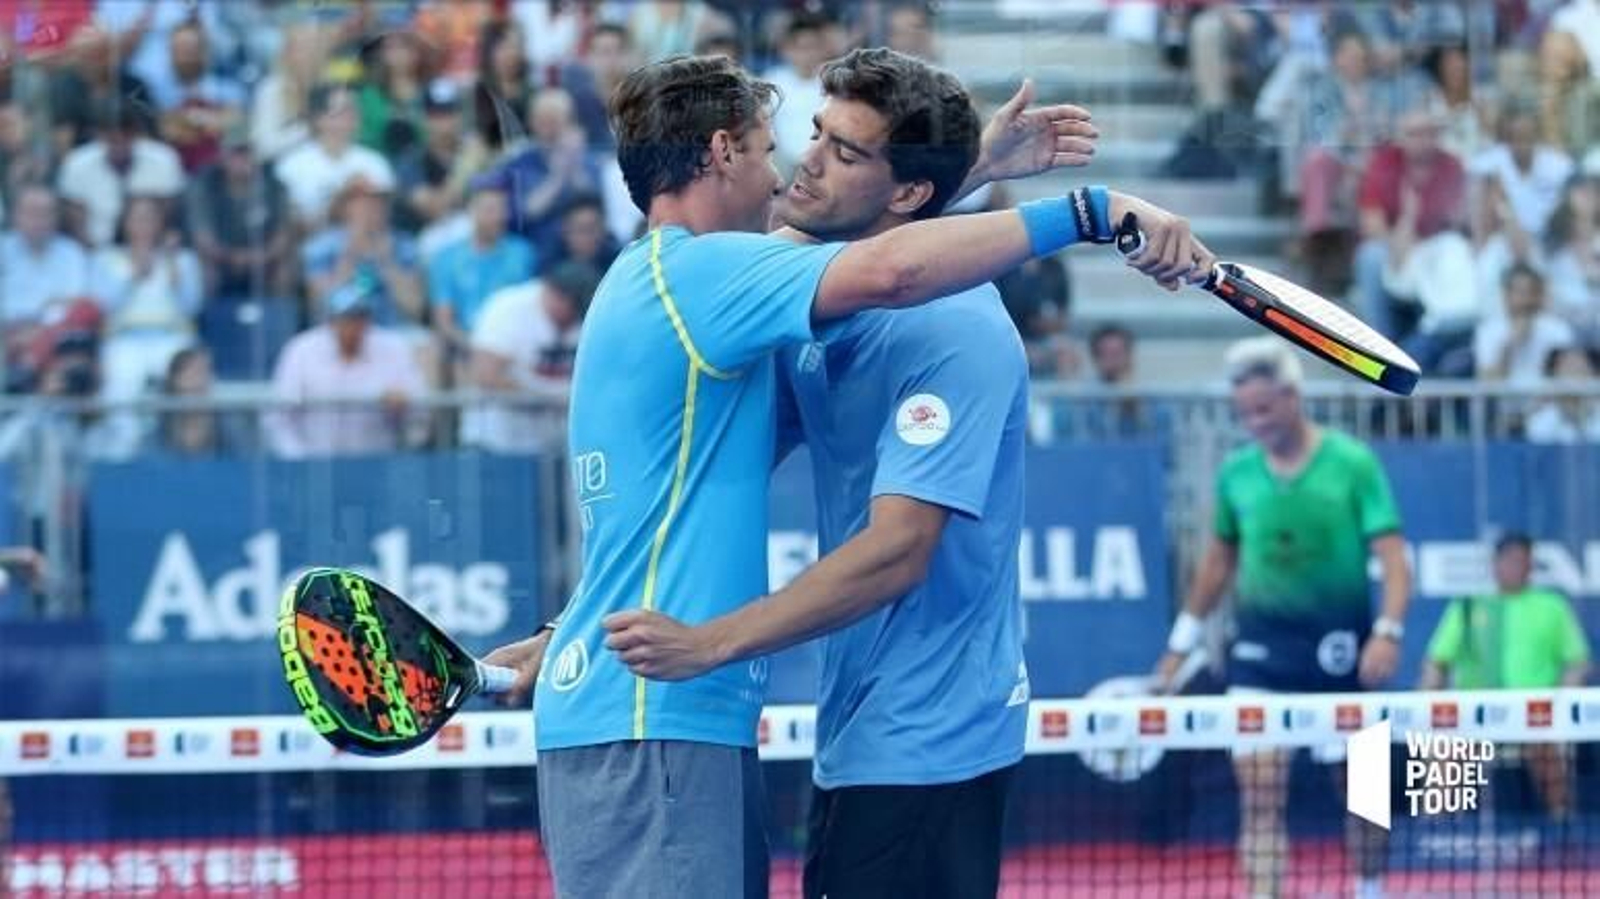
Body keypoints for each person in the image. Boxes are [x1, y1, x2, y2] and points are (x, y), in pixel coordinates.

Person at [485, 53, 1209, 897]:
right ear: (722, 152)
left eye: (837, 147)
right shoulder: (713, 278)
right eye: (783, 143)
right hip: (664, 721)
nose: (795, 167)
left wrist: (965, 167)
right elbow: (886, 256)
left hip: (906, 742)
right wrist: (1094, 210)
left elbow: (874, 240)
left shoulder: (724, 289)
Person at [596, 47, 1041, 898]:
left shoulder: (953, 330)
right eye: (815, 135)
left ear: (907, 194)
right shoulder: (824, 313)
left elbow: (898, 552)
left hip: (934, 741)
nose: (804, 165)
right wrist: (573, 630)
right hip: (861, 728)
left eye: (844, 153)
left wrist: (711, 643)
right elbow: (696, 481)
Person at [1152, 337, 1412, 899]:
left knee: (1367, 801)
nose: (1255, 422)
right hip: (1260, 665)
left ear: (1293, 398)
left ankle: (1370, 890)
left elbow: (1394, 558)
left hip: (1347, 665)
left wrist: (1388, 632)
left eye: (1264, 409)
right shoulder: (1236, 474)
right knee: (1260, 799)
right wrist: (1181, 643)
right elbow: (1217, 562)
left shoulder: (1353, 463)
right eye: (1245, 413)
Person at [1420, 532, 1591, 821]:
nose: (1516, 566)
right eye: (1509, 560)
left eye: (1522, 560)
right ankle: (1437, 835)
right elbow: (1437, 661)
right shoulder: (1468, 605)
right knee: (1445, 752)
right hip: (1475, 716)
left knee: (1549, 753)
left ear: (1531, 565)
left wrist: (1559, 703)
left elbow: (1578, 662)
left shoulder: (1552, 607)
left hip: (1535, 717)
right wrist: (1427, 701)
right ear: (1495, 564)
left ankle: (1563, 830)